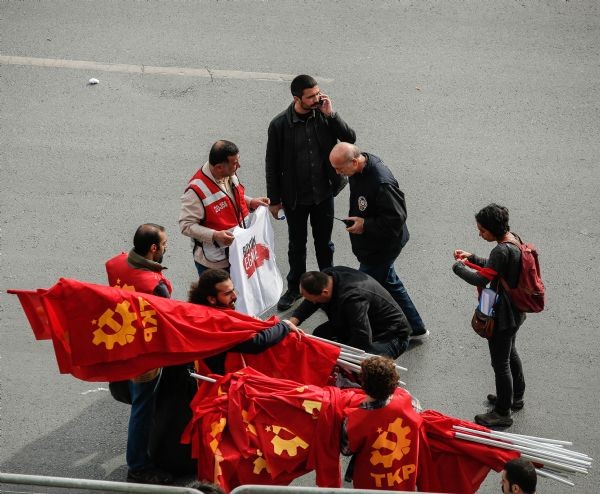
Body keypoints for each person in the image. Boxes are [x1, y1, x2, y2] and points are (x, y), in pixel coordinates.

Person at [265, 74, 356, 310]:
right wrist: (274, 201)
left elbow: (350, 140)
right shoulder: (279, 125)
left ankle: (328, 286)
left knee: (324, 244)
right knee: (297, 244)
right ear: (297, 98)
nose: (317, 98)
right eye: (311, 96)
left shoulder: (324, 116)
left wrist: (331, 115)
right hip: (295, 198)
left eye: (318, 93)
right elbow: (272, 164)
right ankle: (295, 288)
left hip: (323, 193)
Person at [328, 142, 428, 340]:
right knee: (390, 282)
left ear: (355, 162)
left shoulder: (381, 182)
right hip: (373, 244)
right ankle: (416, 327)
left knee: (358, 287)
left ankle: (360, 331)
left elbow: (396, 219)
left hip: (382, 247)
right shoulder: (359, 168)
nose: (338, 173)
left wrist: (365, 224)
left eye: (340, 168)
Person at [105, 224, 173, 484]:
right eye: (165, 244)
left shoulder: (116, 263)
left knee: (136, 400)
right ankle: (139, 466)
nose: (167, 247)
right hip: (146, 352)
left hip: (122, 339)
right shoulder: (156, 285)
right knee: (143, 408)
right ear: (153, 248)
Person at [453, 203, 527, 427]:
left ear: (494, 229)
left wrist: (458, 268)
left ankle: (502, 412)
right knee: (510, 353)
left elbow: (481, 279)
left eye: (483, 230)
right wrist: (472, 258)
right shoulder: (513, 240)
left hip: (502, 315)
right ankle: (516, 397)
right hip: (516, 311)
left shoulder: (501, 250)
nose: (480, 233)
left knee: (500, 363)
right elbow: (496, 268)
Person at [180, 140, 270, 276]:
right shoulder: (196, 191)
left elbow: (230, 198)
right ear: (219, 167)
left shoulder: (229, 174)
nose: (239, 166)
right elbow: (185, 225)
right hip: (216, 263)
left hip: (239, 252)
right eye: (234, 163)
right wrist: (215, 235)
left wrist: (251, 202)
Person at [190, 268, 303, 374]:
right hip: (219, 377)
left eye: (233, 289)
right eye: (227, 293)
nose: (234, 296)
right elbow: (257, 343)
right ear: (211, 299)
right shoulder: (215, 321)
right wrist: (285, 325)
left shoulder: (202, 311)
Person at [289, 267, 410, 359]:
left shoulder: (353, 299)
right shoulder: (327, 276)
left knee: (365, 365)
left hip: (391, 335)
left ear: (324, 292)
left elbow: (361, 337)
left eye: (313, 299)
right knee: (320, 336)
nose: (313, 302)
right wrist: (294, 320)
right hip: (355, 322)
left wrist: (336, 357)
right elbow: (311, 300)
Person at [340, 356, 421, 490]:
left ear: (363, 384)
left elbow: (346, 449)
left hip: (370, 483)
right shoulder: (407, 399)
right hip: (404, 476)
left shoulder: (354, 419)